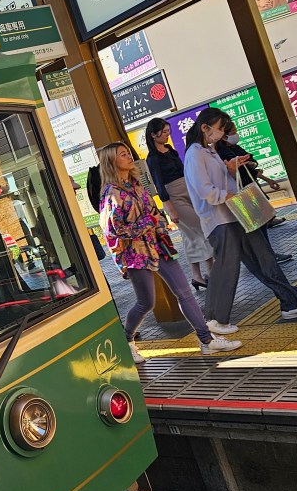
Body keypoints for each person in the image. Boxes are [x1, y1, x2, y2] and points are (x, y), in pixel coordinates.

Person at [184, 108, 297, 334]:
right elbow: (204, 190)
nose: (222, 133)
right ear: (205, 127)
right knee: (226, 269)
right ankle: (214, 321)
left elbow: (221, 184)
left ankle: (292, 303)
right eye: (220, 128)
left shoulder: (208, 152)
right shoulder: (195, 153)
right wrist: (227, 195)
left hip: (234, 215)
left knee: (264, 258)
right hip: (219, 221)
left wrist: (230, 169)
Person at [99, 142, 242, 362]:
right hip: (136, 254)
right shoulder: (111, 193)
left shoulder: (137, 185)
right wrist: (148, 222)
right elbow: (114, 229)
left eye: (128, 153)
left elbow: (155, 212)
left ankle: (206, 340)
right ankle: (126, 340)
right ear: (111, 161)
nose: (129, 157)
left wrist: (159, 224)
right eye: (123, 154)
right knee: (146, 302)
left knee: (184, 292)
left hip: (158, 246)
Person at [144, 118, 214, 288]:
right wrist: (169, 208)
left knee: (189, 237)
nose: (168, 135)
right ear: (153, 135)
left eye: (169, 131)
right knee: (201, 229)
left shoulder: (169, 150)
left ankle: (197, 276)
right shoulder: (152, 158)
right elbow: (159, 185)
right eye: (165, 132)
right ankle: (212, 272)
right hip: (173, 196)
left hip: (188, 189)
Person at [213, 122, 292, 263]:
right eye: (233, 132)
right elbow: (244, 168)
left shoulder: (235, 147)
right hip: (242, 191)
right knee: (256, 226)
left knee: (260, 224)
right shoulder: (222, 153)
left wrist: (266, 178)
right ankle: (265, 256)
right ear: (224, 136)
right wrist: (247, 164)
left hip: (250, 187)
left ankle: (264, 255)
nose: (236, 135)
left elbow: (251, 163)